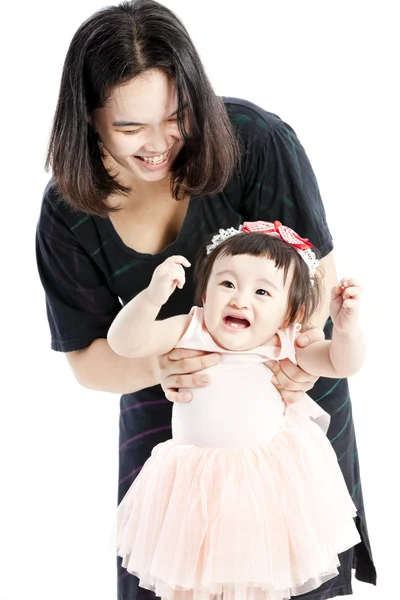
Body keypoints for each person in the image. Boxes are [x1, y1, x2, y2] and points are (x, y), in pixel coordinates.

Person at [35, 0, 376, 598]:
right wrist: (162, 363)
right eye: (129, 127)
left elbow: (315, 282)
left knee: (297, 571)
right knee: (173, 573)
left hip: (284, 395)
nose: (158, 145)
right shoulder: (68, 213)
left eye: (175, 118)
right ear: (86, 120)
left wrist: (299, 356)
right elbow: (90, 359)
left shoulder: (256, 141)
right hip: (172, 406)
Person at [107, 221, 364, 600]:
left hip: (263, 487)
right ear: (205, 292)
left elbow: (342, 364)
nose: (240, 300)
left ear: (289, 312)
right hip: (192, 487)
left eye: (262, 291)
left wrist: (345, 330)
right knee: (189, 583)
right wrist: (151, 299)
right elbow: (125, 343)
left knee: (260, 581)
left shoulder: (286, 341)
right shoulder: (190, 328)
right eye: (227, 284)